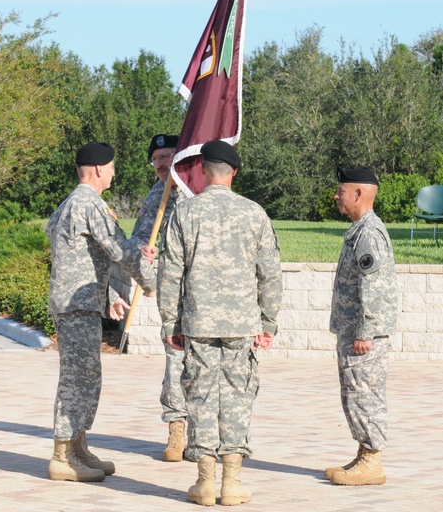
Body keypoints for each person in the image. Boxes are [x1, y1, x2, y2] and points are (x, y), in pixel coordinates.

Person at [157, 140, 283, 506]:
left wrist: (170, 323)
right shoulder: (254, 213)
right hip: (242, 325)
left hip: (197, 324)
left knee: (199, 399)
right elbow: (270, 275)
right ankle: (232, 483)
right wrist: (268, 322)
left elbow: (170, 273)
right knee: (237, 400)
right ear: (234, 173)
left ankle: (205, 483)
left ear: (202, 170)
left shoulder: (186, 212)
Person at [45, 142, 158, 483]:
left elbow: (82, 255)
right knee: (77, 379)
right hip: (76, 306)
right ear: (97, 169)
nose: (113, 173)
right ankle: (62, 455)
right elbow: (116, 248)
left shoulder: (71, 203)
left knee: (87, 376)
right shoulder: (89, 204)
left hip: (81, 302)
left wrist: (107, 292)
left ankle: (78, 447)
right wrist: (151, 280)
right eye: (111, 167)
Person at [108, 133, 189, 461]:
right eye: (156, 158)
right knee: (175, 354)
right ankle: (176, 428)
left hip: (207, 289)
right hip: (172, 289)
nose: (161, 163)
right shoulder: (157, 194)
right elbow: (140, 239)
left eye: (168, 156)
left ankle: (204, 432)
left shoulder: (198, 189)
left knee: (208, 361)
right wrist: (146, 262)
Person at [325, 167, 399, 486]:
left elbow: (374, 286)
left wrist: (365, 332)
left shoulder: (369, 232)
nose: (336, 196)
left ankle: (372, 461)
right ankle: (363, 453)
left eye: (341, 191)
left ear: (358, 193)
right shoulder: (361, 229)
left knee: (365, 393)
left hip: (363, 334)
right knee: (356, 392)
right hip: (355, 329)